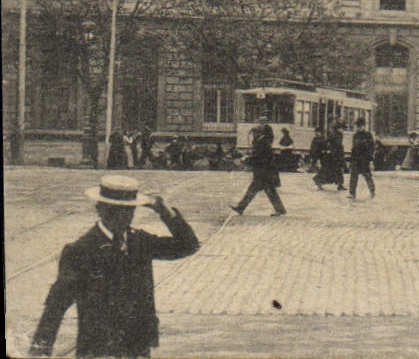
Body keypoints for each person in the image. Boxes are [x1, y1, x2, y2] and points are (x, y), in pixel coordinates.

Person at [30, 175, 200, 359]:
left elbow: (188, 245)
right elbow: (56, 305)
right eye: (115, 210)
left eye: (129, 211)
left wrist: (164, 211)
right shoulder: (81, 250)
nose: (123, 217)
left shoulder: (139, 241)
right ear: (100, 209)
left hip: (138, 346)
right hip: (98, 349)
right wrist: (40, 350)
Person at [231, 115, 286, 216]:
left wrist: (246, 160)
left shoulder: (263, 142)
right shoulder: (263, 142)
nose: (253, 134)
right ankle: (241, 208)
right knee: (265, 190)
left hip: (264, 171)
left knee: (265, 190)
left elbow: (259, 157)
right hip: (264, 171)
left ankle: (241, 208)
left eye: (255, 133)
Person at [348, 120, 376, 200]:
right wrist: (351, 159)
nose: (359, 128)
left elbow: (371, 148)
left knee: (367, 176)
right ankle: (352, 193)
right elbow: (354, 148)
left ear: (364, 126)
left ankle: (372, 192)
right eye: (358, 126)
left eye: (360, 126)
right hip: (356, 159)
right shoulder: (355, 135)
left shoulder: (368, 135)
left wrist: (370, 159)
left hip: (364, 160)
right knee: (353, 177)